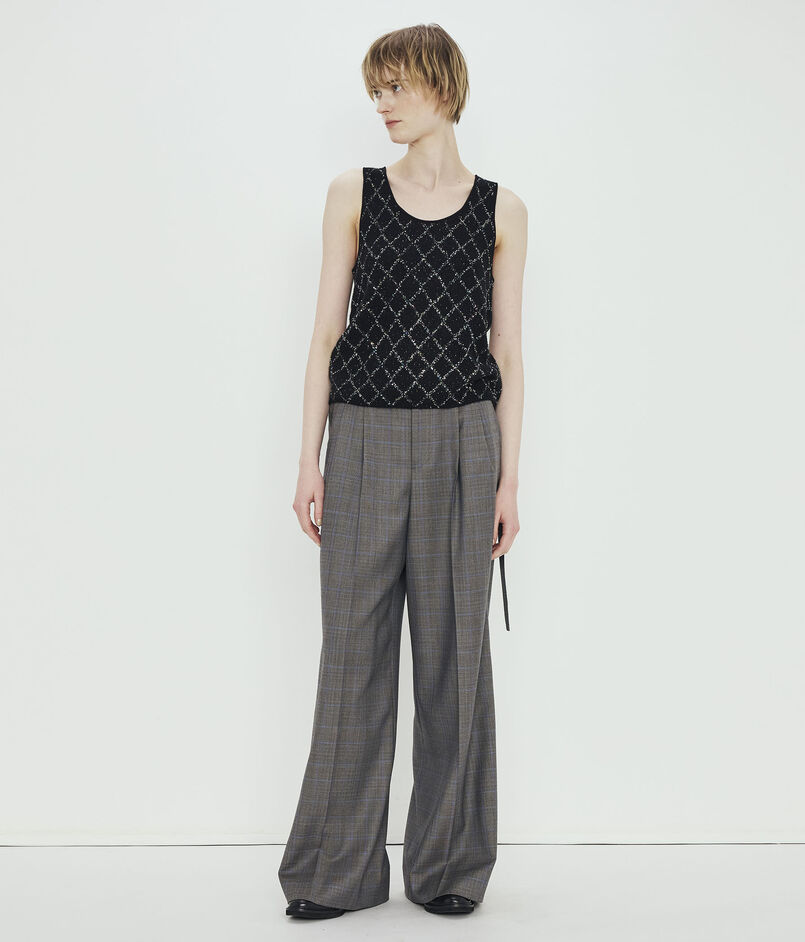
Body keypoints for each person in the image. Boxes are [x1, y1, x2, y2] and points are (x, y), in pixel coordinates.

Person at [278, 22, 526, 920]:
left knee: (455, 662)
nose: (380, 104)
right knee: (352, 657)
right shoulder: (353, 193)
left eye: (394, 87)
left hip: (464, 441)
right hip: (364, 438)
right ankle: (333, 874)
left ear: (441, 86)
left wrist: (507, 481)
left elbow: (508, 353)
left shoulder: (502, 210)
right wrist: (308, 460)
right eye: (374, 89)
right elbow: (325, 335)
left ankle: (449, 868)